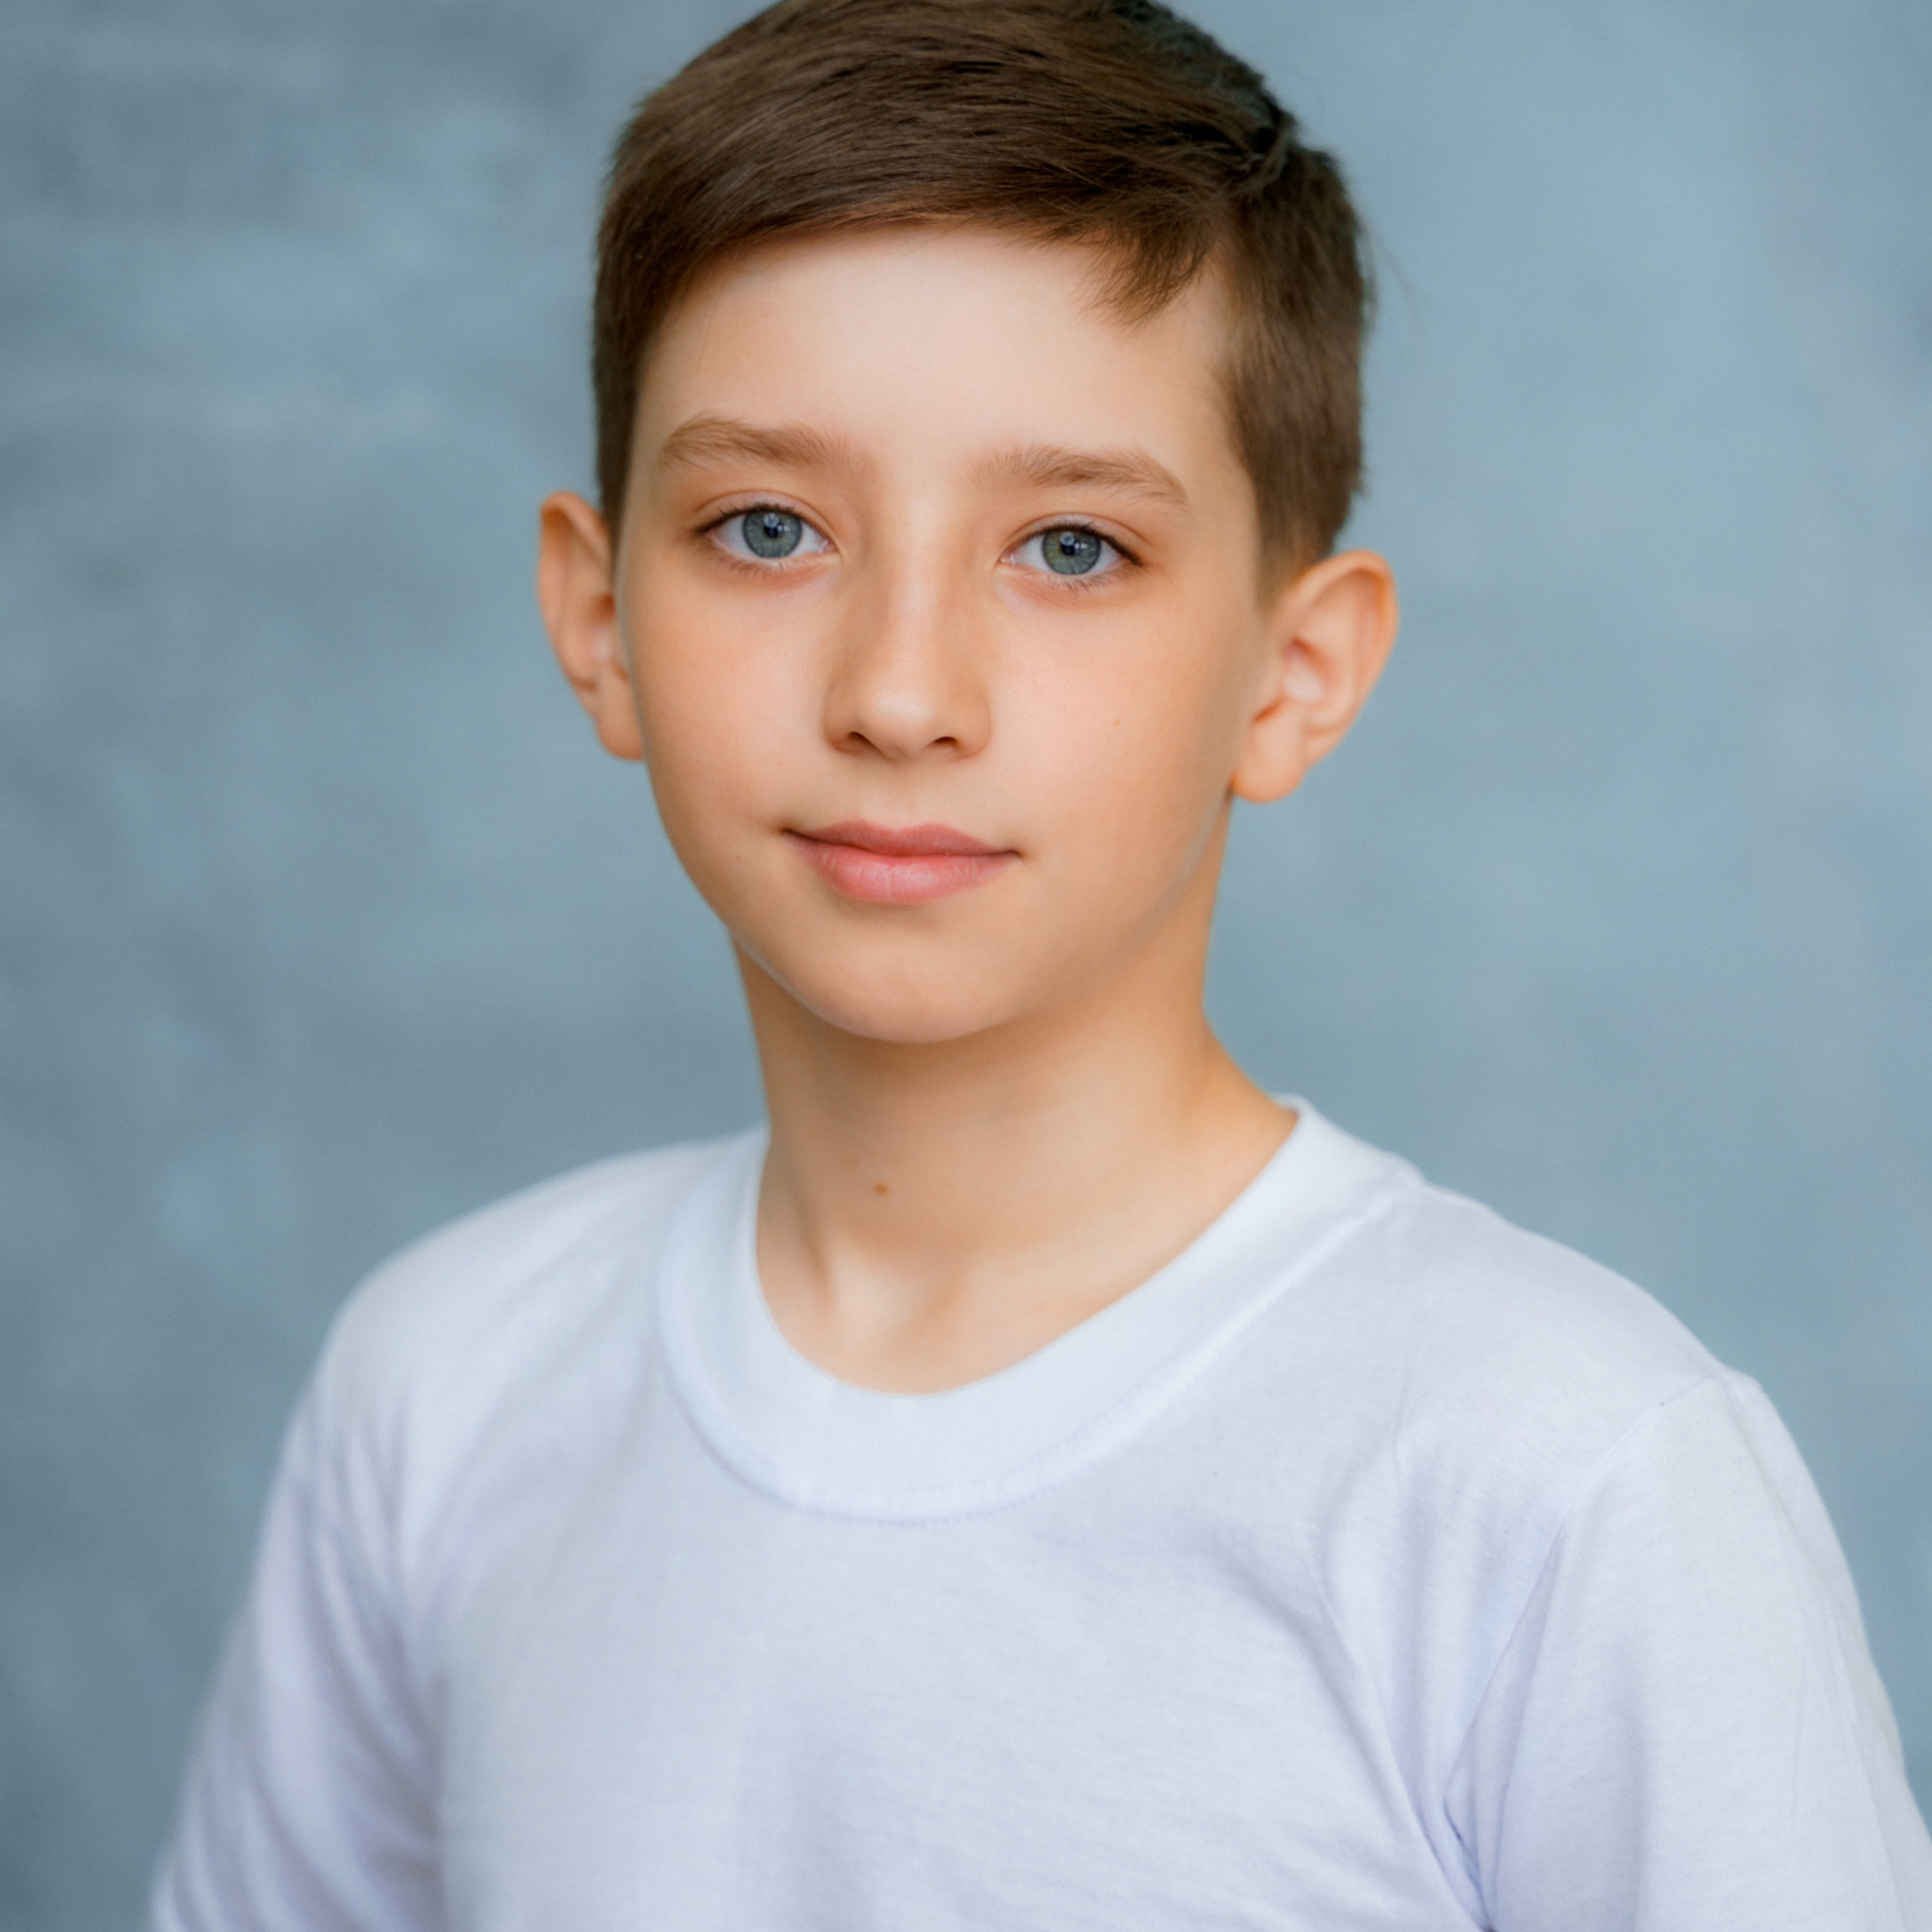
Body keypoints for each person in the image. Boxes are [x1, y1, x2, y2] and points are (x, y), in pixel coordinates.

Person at [152, 1, 1932, 1925]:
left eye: (1069, 547)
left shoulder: (1561, 1480)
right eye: (769, 526)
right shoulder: (443, 1389)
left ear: (1292, 672)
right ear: (599, 624)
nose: (900, 691)